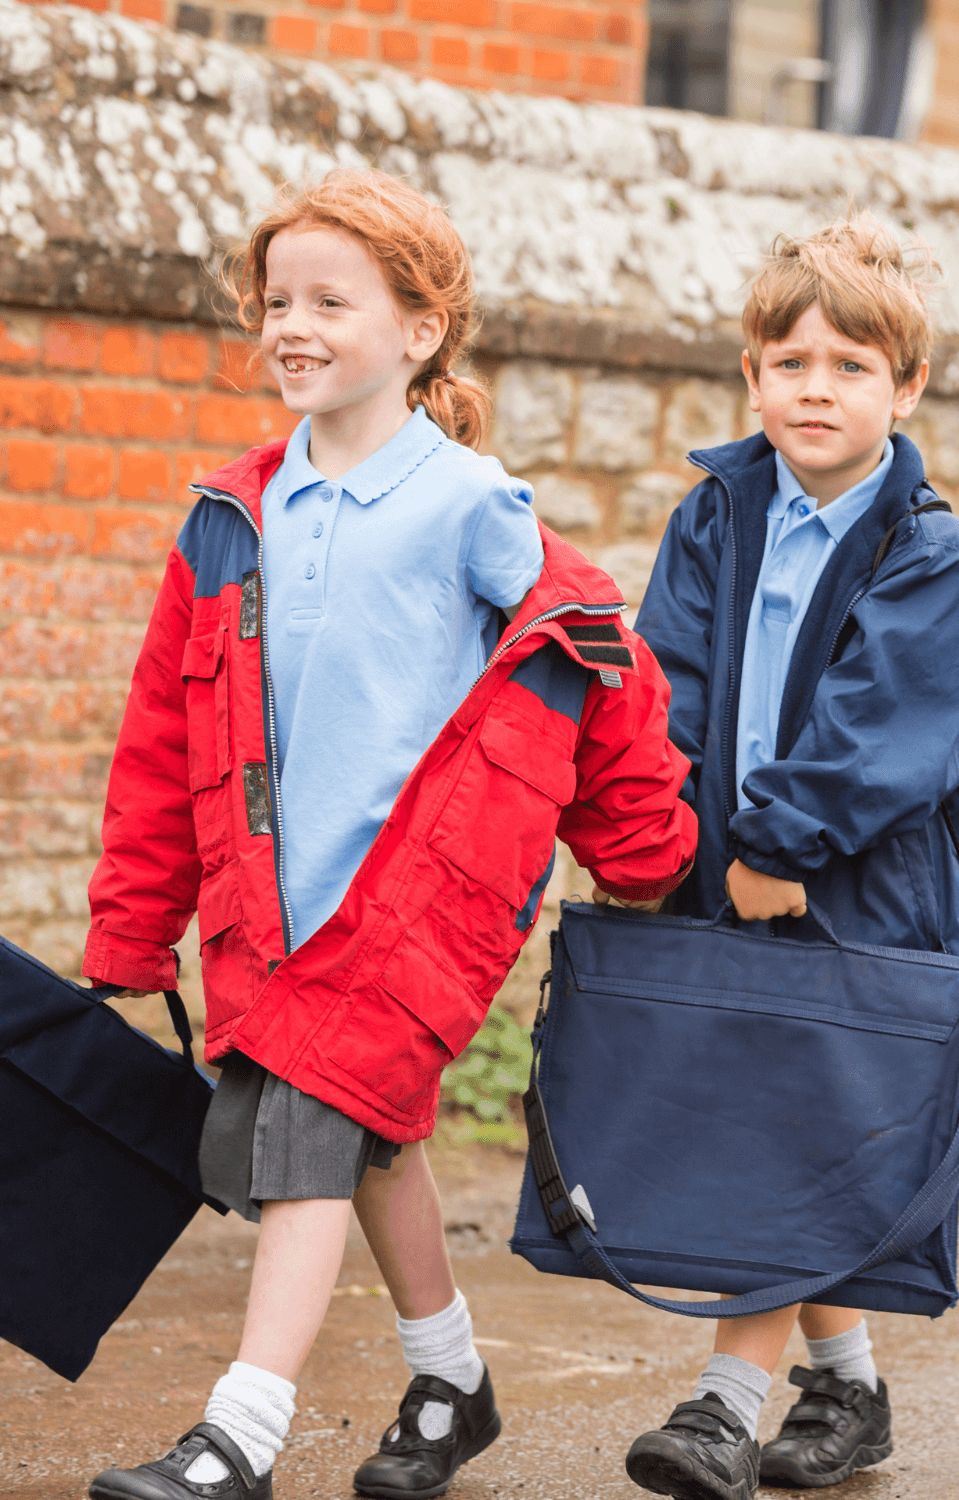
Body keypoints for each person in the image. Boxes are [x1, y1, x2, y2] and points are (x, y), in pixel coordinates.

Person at [82, 170, 697, 1500]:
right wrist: (135, 926)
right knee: (371, 1139)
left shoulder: (471, 504)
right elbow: (160, 739)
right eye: (276, 301)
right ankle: (451, 1381)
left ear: (421, 332)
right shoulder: (228, 517)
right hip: (266, 906)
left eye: (330, 301)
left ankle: (236, 1434)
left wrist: (648, 850)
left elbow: (597, 664)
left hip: (417, 903)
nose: (292, 324)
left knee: (310, 1127)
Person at [627, 216, 959, 1500]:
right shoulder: (715, 515)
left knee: (796, 1131)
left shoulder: (928, 552)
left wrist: (780, 842)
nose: (816, 388)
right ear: (751, 374)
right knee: (781, 1128)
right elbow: (666, 679)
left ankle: (724, 1406)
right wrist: (673, 834)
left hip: (854, 889)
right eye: (790, 361)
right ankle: (847, 1388)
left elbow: (884, 726)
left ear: (906, 389)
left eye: (852, 366)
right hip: (728, 877)